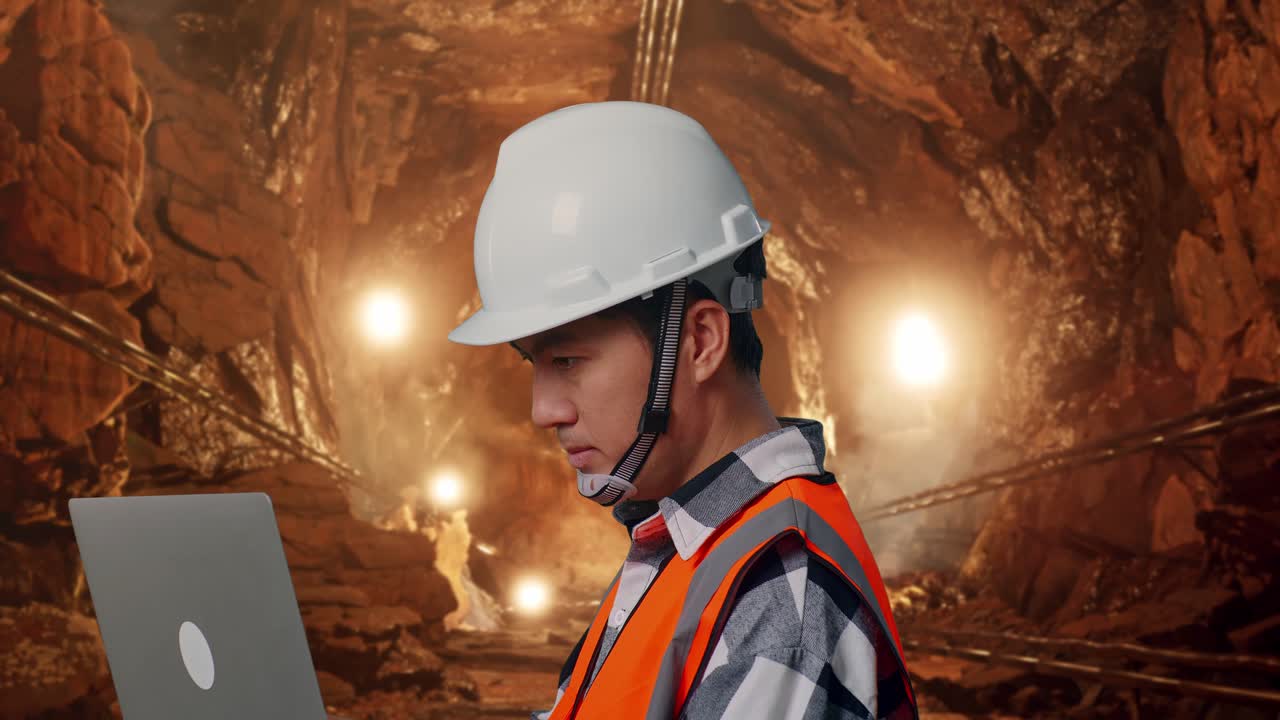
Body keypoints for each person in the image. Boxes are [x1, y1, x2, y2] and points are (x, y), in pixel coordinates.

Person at [447, 101, 917, 719]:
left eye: (568, 360)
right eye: (532, 363)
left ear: (698, 342)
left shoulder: (778, 592)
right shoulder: (691, 547)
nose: (544, 411)